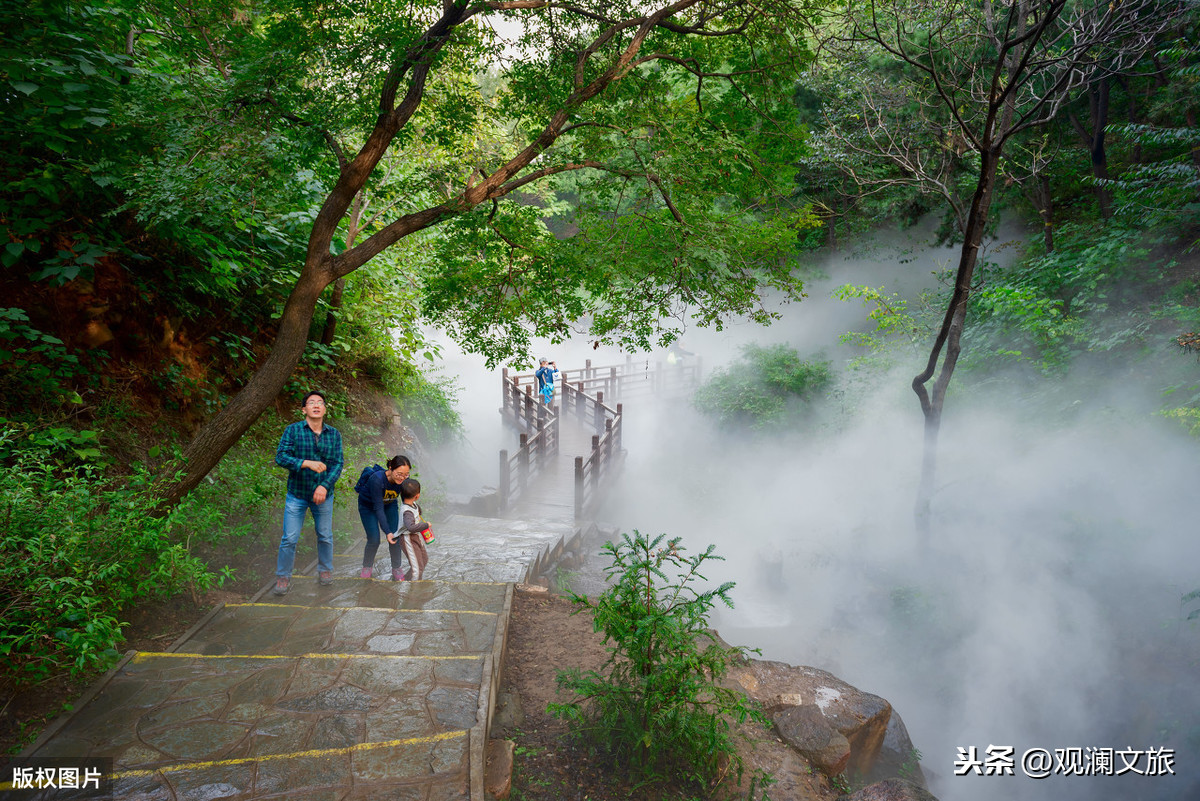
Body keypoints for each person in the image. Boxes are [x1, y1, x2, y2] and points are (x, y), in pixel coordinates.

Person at [273, 390, 344, 595]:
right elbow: (281, 457)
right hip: (297, 493)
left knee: (325, 535)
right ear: (304, 409)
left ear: (324, 409)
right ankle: (283, 577)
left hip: (324, 495)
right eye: (311, 402)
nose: (316, 405)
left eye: (320, 402)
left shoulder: (334, 434)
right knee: (290, 538)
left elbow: (337, 464)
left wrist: (324, 486)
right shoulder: (293, 431)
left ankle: (325, 571)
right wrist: (305, 463)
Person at [356, 455, 411, 579]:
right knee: (374, 539)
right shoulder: (377, 480)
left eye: (406, 474)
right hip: (368, 506)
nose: (402, 478)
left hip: (390, 504)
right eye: (399, 474)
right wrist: (387, 532)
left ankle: (396, 568)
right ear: (391, 468)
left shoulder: (404, 479)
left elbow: (405, 501)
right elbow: (378, 508)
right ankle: (367, 567)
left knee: (395, 536)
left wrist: (412, 518)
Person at [387, 478, 431, 581]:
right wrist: (425, 525)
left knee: (424, 560)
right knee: (417, 568)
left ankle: (405, 580)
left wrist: (418, 510)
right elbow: (410, 527)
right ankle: (413, 591)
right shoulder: (407, 512)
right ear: (417, 496)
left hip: (415, 537)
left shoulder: (411, 503)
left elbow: (417, 509)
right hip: (408, 539)